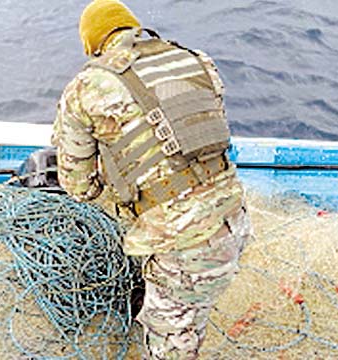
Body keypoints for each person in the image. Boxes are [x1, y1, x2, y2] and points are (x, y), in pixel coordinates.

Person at [51, 1, 254, 358]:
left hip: (185, 246)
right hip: (234, 221)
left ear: (92, 43)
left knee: (171, 343)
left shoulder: (85, 88)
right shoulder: (195, 59)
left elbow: (77, 186)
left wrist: (116, 183)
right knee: (188, 310)